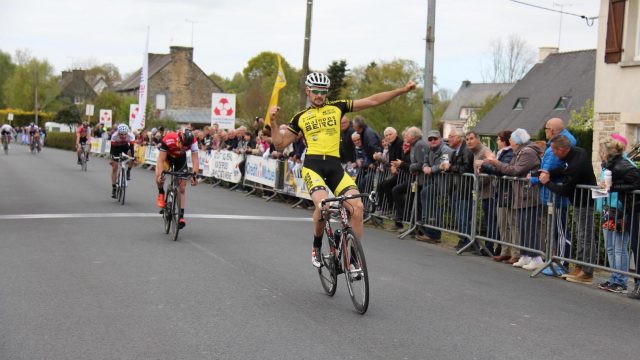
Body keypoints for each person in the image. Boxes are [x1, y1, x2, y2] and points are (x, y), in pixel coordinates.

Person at [269, 72, 416, 267]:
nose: (319, 95)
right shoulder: (300, 117)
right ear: (307, 91)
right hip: (313, 167)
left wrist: (402, 90)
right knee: (324, 207)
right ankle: (316, 244)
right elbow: (279, 144)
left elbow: (372, 101)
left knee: (358, 208)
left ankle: (352, 256)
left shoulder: (337, 107)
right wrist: (272, 122)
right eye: (315, 91)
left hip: (334, 166)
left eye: (323, 91)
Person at [539, 135, 597, 285]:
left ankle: (587, 272)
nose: (553, 153)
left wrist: (547, 182)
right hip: (578, 201)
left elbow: (565, 190)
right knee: (580, 234)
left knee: (586, 236)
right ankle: (579, 266)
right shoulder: (574, 155)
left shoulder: (577, 161)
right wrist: (548, 172)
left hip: (585, 202)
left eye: (553, 150)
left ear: (562, 149)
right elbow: (562, 169)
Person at [483, 129, 542, 265]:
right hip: (521, 194)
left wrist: (495, 162)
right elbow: (510, 167)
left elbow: (514, 170)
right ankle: (526, 254)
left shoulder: (527, 152)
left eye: (512, 141)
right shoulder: (519, 152)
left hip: (528, 194)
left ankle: (535, 257)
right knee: (522, 225)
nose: (510, 143)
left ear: (517, 141)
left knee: (528, 226)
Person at [596, 136, 640, 293]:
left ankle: (620, 280)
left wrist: (615, 187)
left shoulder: (625, 165)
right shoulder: (607, 165)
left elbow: (635, 183)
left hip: (620, 209)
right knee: (610, 246)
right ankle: (614, 278)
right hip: (609, 208)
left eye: (600, 150)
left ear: (605, 151)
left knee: (619, 247)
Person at [480, 130, 515, 262]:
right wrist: (484, 166)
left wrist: (487, 163)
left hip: (507, 191)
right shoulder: (502, 153)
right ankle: (505, 250)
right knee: (502, 223)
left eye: (499, 140)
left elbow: (499, 170)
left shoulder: (509, 153)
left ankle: (513, 252)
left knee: (509, 223)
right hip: (499, 190)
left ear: (505, 141)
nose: (497, 142)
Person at [155, 128, 199, 229]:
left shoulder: (193, 141)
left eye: (185, 147)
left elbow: (195, 160)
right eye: (182, 145)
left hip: (180, 160)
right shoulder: (168, 139)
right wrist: (160, 175)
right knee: (158, 175)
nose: (183, 147)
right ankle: (161, 192)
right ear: (179, 139)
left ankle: (181, 217)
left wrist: (195, 176)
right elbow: (161, 160)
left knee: (182, 188)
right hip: (167, 158)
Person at [415, 130, 452, 243]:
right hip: (435, 181)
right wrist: (425, 167)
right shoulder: (429, 149)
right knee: (426, 194)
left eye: (435, 139)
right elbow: (425, 161)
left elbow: (444, 165)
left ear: (440, 139)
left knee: (427, 194)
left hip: (446, 183)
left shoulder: (445, 150)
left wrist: (432, 169)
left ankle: (433, 232)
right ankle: (429, 228)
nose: (432, 141)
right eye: (430, 139)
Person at [109, 124, 135, 198]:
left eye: (125, 134)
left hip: (125, 147)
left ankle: (128, 171)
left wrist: (132, 157)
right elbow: (112, 150)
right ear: (118, 133)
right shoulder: (114, 136)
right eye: (121, 134)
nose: (123, 136)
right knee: (115, 167)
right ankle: (114, 187)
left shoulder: (131, 136)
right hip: (116, 149)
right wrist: (112, 158)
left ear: (127, 133)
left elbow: (132, 148)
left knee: (132, 156)